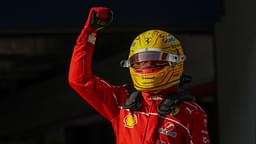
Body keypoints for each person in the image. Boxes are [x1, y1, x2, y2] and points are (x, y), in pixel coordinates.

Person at [68, 6, 210, 144]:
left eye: (154, 62)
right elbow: (80, 80)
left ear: (175, 62)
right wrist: (89, 33)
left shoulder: (190, 112)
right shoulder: (121, 100)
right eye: (139, 62)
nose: (146, 67)